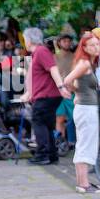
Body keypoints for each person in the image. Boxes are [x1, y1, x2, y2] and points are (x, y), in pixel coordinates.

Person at [60, 31, 100, 194]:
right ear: (85, 47)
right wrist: (75, 92)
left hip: (85, 107)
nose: (96, 47)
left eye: (97, 44)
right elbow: (67, 80)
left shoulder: (86, 63)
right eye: (92, 45)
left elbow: (76, 82)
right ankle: (84, 184)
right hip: (86, 108)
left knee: (83, 145)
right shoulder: (85, 63)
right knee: (86, 145)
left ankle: (82, 183)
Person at [23, 27, 63, 165]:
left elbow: (53, 69)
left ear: (29, 39)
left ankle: (42, 154)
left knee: (38, 121)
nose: (24, 42)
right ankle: (52, 155)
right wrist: (29, 93)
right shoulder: (37, 53)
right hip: (45, 94)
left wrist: (61, 86)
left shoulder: (41, 51)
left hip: (46, 95)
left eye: (25, 39)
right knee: (46, 124)